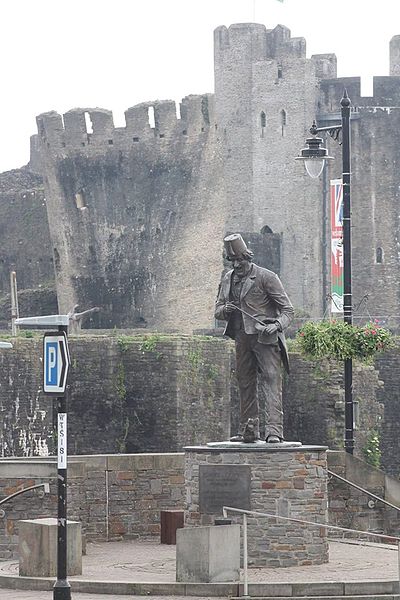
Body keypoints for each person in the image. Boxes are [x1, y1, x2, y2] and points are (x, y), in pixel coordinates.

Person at [215, 233, 294, 443]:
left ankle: (274, 431)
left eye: (240, 259)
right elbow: (217, 310)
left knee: (271, 380)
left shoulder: (266, 277)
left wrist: (276, 326)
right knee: (245, 381)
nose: (237, 264)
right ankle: (248, 430)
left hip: (265, 338)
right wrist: (226, 309)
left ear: (248, 257)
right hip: (241, 338)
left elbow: (288, 310)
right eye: (233, 260)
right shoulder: (227, 279)